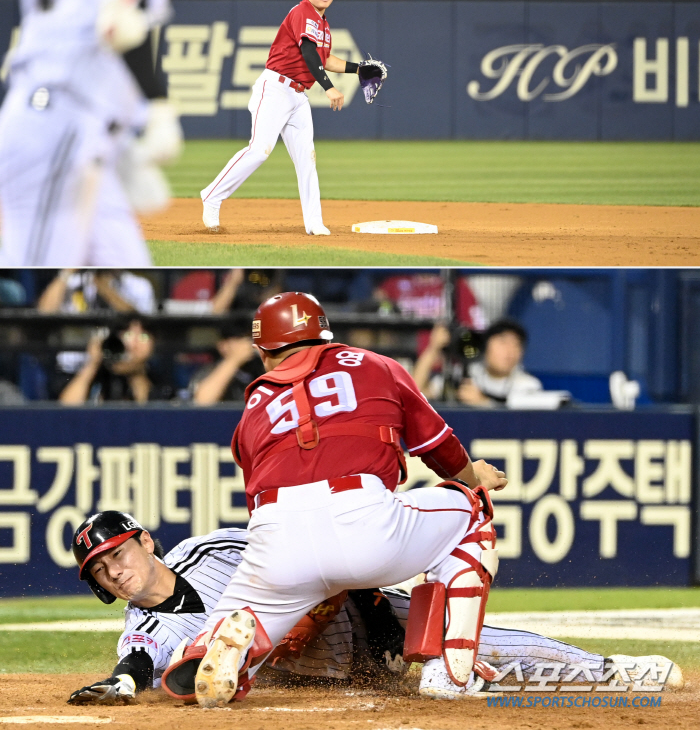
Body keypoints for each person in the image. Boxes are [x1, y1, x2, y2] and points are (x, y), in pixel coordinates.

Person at [165, 290, 510, 708]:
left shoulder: (253, 406)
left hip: (277, 538)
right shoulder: (375, 365)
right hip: (363, 520)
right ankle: (449, 670)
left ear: (264, 349)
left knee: (249, 612)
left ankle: (211, 651)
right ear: (324, 334)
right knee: (471, 508)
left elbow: (258, 505)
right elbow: (441, 449)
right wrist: (475, 477)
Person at [66, 510, 681, 707]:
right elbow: (137, 664)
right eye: (99, 571)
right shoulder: (143, 628)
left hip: (356, 612)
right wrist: (120, 687)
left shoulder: (210, 549)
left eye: (117, 554)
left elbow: (309, 553)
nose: (114, 572)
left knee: (465, 648)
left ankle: (608, 670)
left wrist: (370, 606)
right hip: (318, 665)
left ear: (146, 541)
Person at [0, 0, 186, 266]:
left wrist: (116, 150)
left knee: (132, 281)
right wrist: (157, 106)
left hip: (68, 118)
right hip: (61, 121)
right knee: (38, 285)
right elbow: (118, 23)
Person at [200, 0, 379, 236]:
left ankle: (314, 223)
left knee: (307, 158)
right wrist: (328, 87)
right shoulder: (302, 12)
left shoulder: (323, 25)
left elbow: (325, 59)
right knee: (260, 149)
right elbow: (308, 52)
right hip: (275, 89)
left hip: (297, 96)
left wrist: (358, 69)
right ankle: (212, 196)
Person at [58, 319, 170, 403]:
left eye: (143, 336)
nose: (134, 343)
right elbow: (66, 411)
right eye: (128, 335)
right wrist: (93, 363)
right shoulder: (99, 375)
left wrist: (135, 373)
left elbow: (151, 415)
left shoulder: (160, 379)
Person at [454, 319, 544, 409]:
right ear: (486, 345)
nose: (510, 351)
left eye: (516, 344)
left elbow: (520, 420)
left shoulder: (528, 386)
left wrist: (483, 403)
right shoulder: (466, 373)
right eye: (503, 342)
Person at [38, 270, 156, 314]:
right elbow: (44, 313)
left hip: (119, 362)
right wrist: (67, 272)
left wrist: (105, 289)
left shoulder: (137, 285)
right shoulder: (72, 282)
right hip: (74, 364)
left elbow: (141, 324)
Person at [190, 333, 258, 404]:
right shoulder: (210, 370)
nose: (247, 346)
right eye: (239, 340)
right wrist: (234, 359)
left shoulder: (261, 368)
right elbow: (202, 402)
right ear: (222, 345)